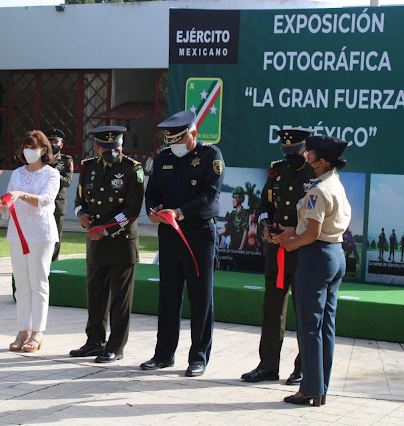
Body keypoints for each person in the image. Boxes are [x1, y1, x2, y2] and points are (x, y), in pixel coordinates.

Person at [141, 110, 224, 377]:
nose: (174, 147)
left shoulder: (211, 156)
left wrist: (180, 211)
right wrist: (153, 211)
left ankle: (199, 357)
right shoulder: (164, 157)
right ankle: (163, 354)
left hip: (199, 234)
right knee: (168, 296)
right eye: (170, 142)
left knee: (200, 298)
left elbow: (209, 194)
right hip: (169, 235)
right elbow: (152, 191)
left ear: (194, 134)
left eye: (179, 141)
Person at [277, 135, 351, 407]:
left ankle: (308, 389)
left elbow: (312, 233)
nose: (304, 155)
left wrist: (291, 243)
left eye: (309, 153)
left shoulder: (317, 189)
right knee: (325, 327)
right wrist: (290, 232)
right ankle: (320, 388)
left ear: (321, 162)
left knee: (310, 326)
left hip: (316, 256)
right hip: (335, 254)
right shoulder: (333, 181)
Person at [241, 128, 315, 386]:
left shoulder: (315, 173)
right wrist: (265, 226)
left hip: (304, 251)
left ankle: (304, 368)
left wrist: (294, 232)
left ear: (306, 150)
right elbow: (264, 206)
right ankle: (268, 366)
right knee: (272, 309)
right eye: (287, 153)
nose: (291, 158)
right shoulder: (277, 171)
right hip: (277, 251)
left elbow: (320, 218)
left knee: (305, 311)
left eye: (295, 153)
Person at [70, 125, 144, 363]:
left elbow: (132, 211)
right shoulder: (89, 168)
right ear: (97, 147)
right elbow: (79, 201)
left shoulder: (133, 169)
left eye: (116, 147)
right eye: (106, 148)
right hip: (95, 242)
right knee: (96, 295)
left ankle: (115, 346)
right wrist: (82, 216)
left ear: (121, 146)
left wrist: (107, 229)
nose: (112, 152)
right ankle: (94, 341)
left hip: (121, 243)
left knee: (120, 299)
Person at [0, 130, 60, 352]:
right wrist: (2, 206)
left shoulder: (51, 174)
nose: (29, 151)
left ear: (43, 150)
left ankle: (38, 331)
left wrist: (21, 195)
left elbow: (45, 200)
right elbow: (10, 203)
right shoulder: (18, 173)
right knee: (21, 285)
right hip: (17, 232)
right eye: (26, 147)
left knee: (39, 282)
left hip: (41, 233)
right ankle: (23, 330)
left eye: (33, 148)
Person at [45, 128, 73, 261]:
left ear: (61, 145)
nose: (53, 145)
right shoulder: (40, 158)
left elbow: (67, 182)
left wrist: (53, 174)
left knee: (55, 235)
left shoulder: (66, 161)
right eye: (50, 142)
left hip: (58, 202)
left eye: (56, 142)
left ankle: (53, 262)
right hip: (41, 201)